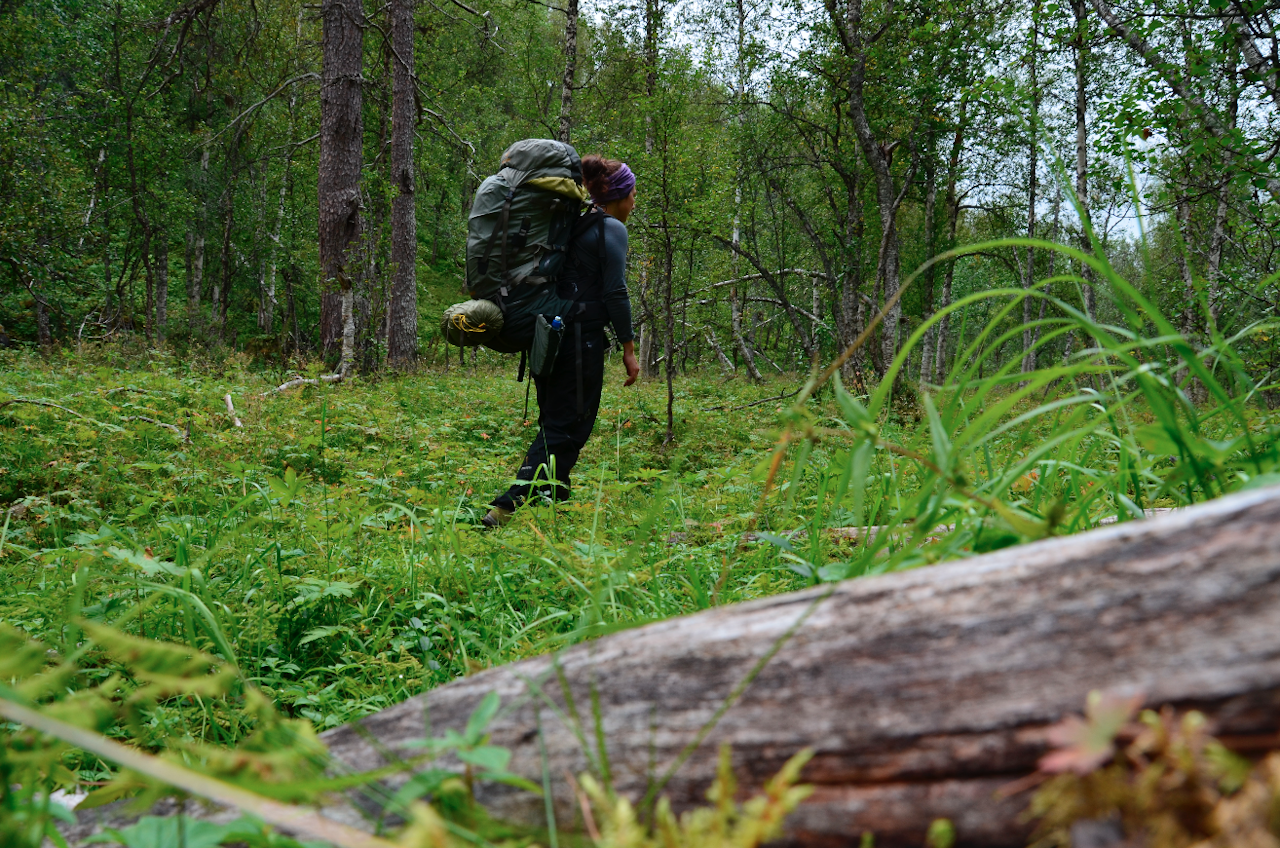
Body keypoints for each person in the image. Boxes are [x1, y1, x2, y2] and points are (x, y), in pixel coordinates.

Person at [483, 155, 641, 527]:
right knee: (568, 426)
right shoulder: (610, 230)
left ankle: (553, 506)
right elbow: (616, 292)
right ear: (619, 196)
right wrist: (629, 348)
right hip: (578, 339)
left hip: (547, 336)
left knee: (556, 421)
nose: (635, 202)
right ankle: (504, 507)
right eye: (633, 193)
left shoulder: (573, 225)